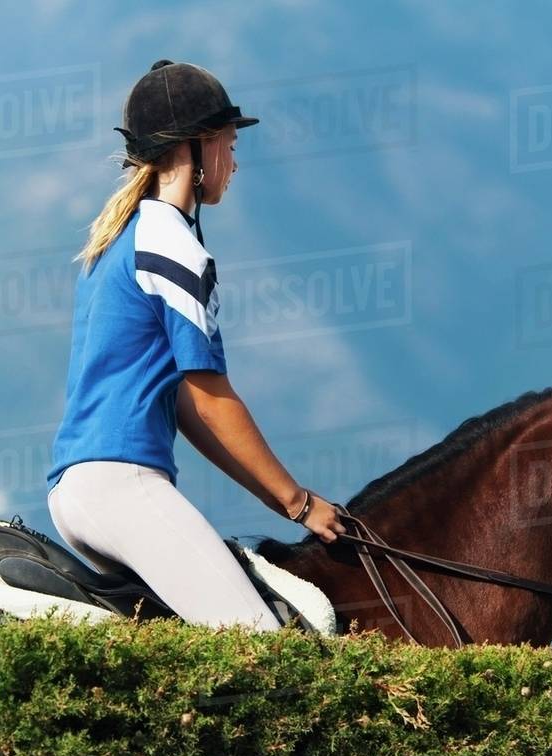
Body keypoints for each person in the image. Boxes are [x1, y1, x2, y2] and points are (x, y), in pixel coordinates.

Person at [46, 59, 346, 632]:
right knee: (263, 651)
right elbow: (210, 398)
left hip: (75, 489)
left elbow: (184, 406)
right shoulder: (173, 245)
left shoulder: (120, 238)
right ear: (195, 150)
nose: (234, 163)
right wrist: (298, 503)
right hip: (122, 485)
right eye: (229, 145)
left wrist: (277, 497)